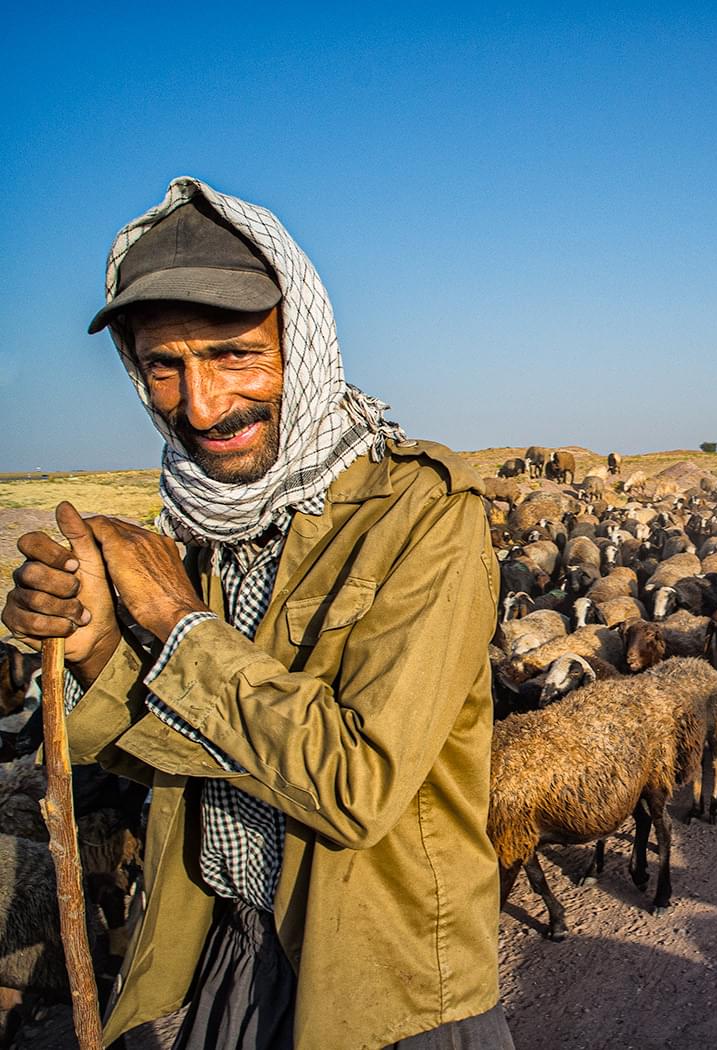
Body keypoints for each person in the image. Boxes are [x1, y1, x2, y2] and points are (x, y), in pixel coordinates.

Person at [2, 179, 511, 1050]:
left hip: (381, 988)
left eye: (234, 353)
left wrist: (170, 616)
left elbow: (357, 787)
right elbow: (205, 746)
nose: (200, 406)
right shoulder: (207, 523)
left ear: (300, 343)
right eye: (165, 366)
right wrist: (95, 652)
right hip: (228, 962)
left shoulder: (424, 516)